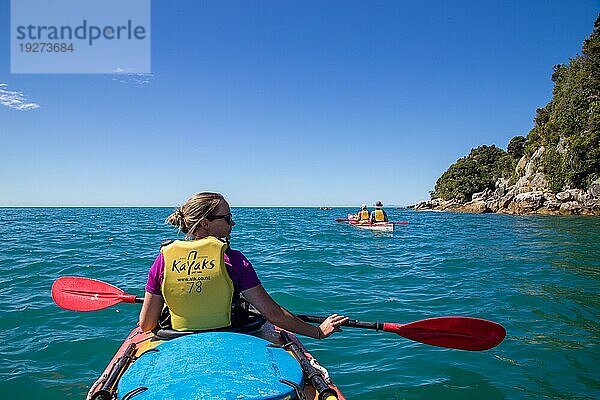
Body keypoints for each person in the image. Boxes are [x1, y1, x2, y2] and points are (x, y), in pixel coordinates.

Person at [139, 192, 348, 339]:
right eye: (228, 218)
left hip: (178, 339)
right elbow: (273, 314)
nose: (233, 224)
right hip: (230, 338)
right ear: (204, 223)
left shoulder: (163, 260)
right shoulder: (234, 260)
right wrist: (318, 332)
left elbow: (147, 324)